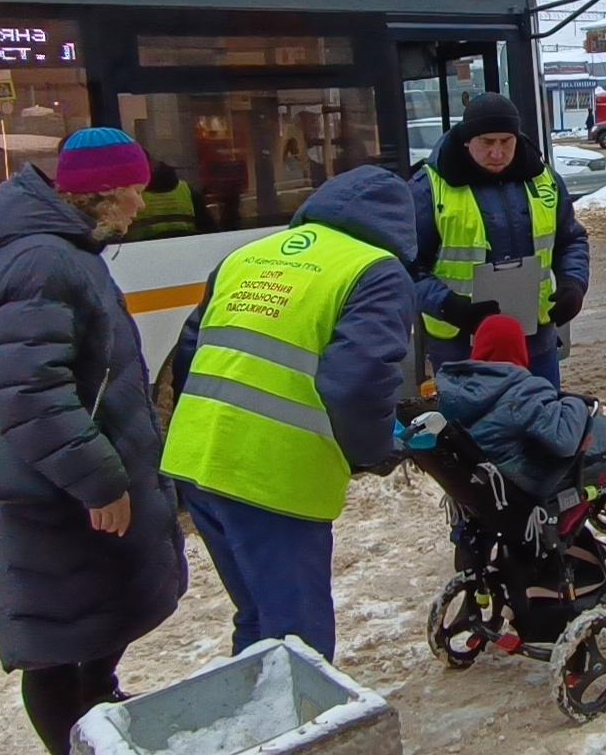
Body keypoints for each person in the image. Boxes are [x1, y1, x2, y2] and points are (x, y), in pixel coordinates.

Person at [0, 128, 186, 755]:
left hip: (62, 481)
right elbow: (29, 390)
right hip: (57, 492)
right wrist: (99, 480)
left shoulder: (64, 251)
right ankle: (77, 742)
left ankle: (97, 712)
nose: (141, 208)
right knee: (59, 642)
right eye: (135, 193)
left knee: (90, 621)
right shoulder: (45, 260)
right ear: (105, 193)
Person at [163, 164, 418, 663]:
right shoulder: (375, 270)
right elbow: (359, 380)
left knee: (257, 616)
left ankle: (255, 727)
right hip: (273, 475)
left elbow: (188, 353)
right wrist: (375, 450)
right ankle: (301, 735)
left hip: (197, 461)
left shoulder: (248, 254)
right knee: (298, 643)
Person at [409, 92, 588, 387]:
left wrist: (574, 284)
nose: (497, 153)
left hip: (535, 341)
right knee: (470, 432)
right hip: (461, 346)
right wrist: (449, 305)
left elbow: (572, 241)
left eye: (506, 142)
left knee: (541, 424)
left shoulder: (544, 181)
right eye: (487, 142)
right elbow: (409, 267)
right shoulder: (429, 188)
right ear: (467, 140)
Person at [434, 315, 590, 497]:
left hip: (474, 486)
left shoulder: (453, 392)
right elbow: (564, 441)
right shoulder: (523, 392)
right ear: (520, 349)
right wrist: (575, 403)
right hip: (513, 487)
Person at [128, 161, 209, 240]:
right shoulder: (186, 189)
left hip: (142, 250)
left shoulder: (129, 196)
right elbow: (209, 230)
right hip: (188, 248)